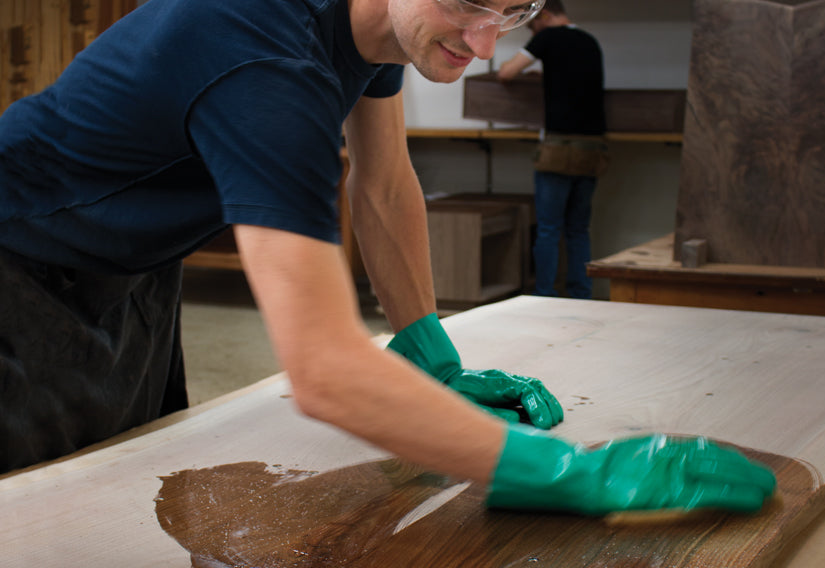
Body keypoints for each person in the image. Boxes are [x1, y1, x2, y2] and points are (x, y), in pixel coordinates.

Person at [0, 0, 776, 515]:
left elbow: (383, 184)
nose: (484, 43)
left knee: (130, 494)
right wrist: (568, 475)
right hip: (16, 269)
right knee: (32, 532)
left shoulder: (368, 25)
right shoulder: (266, 62)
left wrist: (429, 356)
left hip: (130, 270)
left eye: (512, 10)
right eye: (467, 2)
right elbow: (324, 373)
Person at [498, 0, 606, 299]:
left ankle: (545, 295)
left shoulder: (547, 38)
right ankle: (581, 294)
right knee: (578, 228)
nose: (532, 28)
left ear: (544, 14)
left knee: (548, 228)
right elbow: (577, 82)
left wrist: (522, 68)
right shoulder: (589, 41)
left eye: (531, 23)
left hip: (559, 147)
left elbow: (506, 73)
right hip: (593, 148)